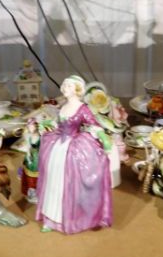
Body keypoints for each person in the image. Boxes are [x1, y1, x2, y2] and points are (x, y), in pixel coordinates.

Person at [35, 75, 113, 234]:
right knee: (53, 182)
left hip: (72, 147)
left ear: (77, 90)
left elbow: (94, 125)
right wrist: (47, 124)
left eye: (69, 86)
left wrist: (103, 137)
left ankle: (69, 218)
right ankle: (51, 218)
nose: (64, 88)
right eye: (64, 85)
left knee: (69, 183)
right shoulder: (62, 106)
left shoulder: (82, 108)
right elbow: (58, 123)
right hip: (58, 146)